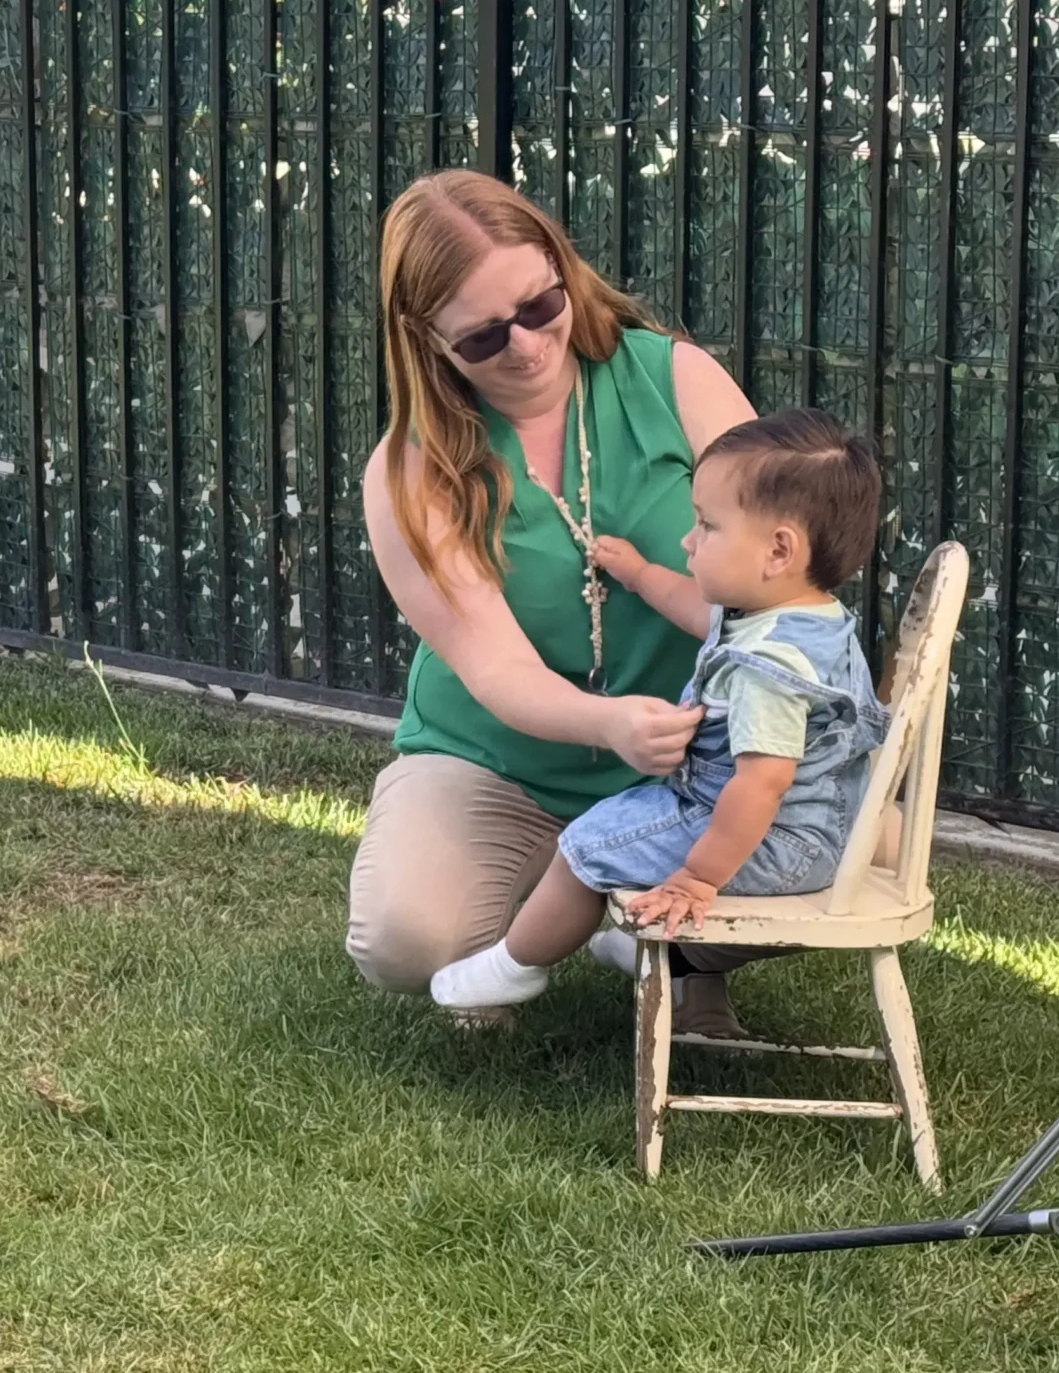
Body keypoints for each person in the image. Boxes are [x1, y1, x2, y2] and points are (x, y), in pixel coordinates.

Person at [346, 169, 757, 1024]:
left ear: (563, 267)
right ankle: (576, 899)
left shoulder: (676, 376)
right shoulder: (406, 470)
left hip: (690, 759)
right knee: (403, 941)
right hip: (496, 758)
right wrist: (608, 724)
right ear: (425, 341)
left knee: (858, 844)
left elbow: (774, 574)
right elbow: (495, 669)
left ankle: (644, 936)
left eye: (539, 306)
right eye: (484, 338)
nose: (528, 345)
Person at [428, 410, 888, 1011]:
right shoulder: (803, 616)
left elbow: (762, 785)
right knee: (627, 823)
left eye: (706, 526)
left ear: (778, 550)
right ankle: (642, 947)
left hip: (772, 842)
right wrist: (640, 575)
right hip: (817, 831)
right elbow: (702, 617)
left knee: (589, 844)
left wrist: (700, 877)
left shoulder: (768, 670)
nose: (687, 541)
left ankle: (515, 965)